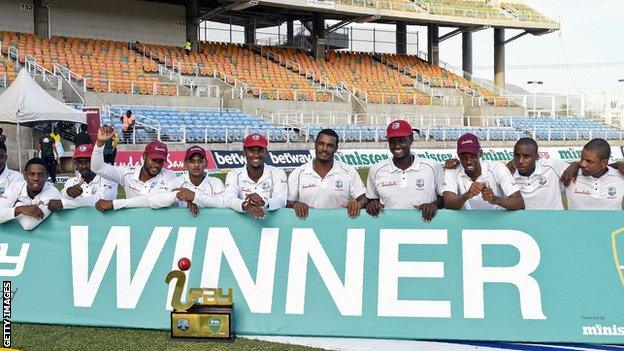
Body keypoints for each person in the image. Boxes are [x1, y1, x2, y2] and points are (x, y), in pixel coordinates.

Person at [365, 120, 444, 222]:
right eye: (392, 141)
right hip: (388, 230)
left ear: (410, 139)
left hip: (425, 228)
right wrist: (372, 205)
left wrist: (433, 205)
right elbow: (372, 199)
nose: (397, 146)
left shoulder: (432, 167)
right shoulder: (376, 170)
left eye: (401, 140)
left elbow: (444, 198)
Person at [91, 125, 178, 212]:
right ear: (144, 156)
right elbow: (98, 168)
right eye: (154, 160)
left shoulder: (169, 176)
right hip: (132, 224)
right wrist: (100, 143)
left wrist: (114, 204)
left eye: (161, 161)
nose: (157, 165)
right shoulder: (127, 173)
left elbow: (150, 200)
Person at [287, 129, 368, 220]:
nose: (325, 149)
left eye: (330, 145)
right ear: (315, 145)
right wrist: (295, 204)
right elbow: (287, 202)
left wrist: (358, 204)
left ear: (336, 148)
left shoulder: (348, 171)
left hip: (339, 227)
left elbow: (364, 198)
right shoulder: (298, 173)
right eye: (321, 144)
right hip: (308, 228)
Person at [442, 133, 524, 210]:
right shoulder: (452, 170)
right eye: (463, 157)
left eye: (473, 156)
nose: (468, 161)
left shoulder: (497, 168)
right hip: (466, 224)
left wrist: (495, 199)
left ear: (480, 153)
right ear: (458, 155)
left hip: (498, 223)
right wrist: (468, 195)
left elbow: (519, 203)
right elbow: (448, 203)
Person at [143, 145, 225, 216]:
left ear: (206, 163)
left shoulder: (216, 183)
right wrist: (177, 195)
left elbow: (223, 203)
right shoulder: (176, 182)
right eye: (191, 161)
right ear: (185, 164)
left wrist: (194, 197)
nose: (196, 165)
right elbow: (153, 201)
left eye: (200, 161)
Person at [223, 134, 287, 219]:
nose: (256, 155)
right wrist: (245, 205)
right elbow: (229, 198)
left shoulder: (278, 173)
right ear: (244, 152)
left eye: (260, 150)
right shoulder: (234, 174)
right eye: (251, 151)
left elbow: (281, 201)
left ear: (266, 152)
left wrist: (264, 202)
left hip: (271, 228)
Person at [505, 138, 574, 210]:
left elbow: (582, 167)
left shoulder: (552, 166)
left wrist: (574, 165)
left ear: (536, 157)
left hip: (554, 220)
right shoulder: (507, 173)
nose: (520, 161)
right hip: (525, 221)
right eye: (517, 155)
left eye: (526, 156)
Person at [47, 144, 117, 212]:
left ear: (95, 161)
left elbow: (101, 201)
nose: (84, 166)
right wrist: (67, 193)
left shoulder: (108, 179)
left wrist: (65, 203)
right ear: (75, 163)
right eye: (80, 162)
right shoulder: (71, 182)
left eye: (87, 162)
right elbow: (58, 202)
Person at [0, 158, 61, 230]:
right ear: (25, 175)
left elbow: (28, 224)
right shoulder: (15, 188)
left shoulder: (52, 192)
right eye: (32, 174)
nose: (36, 178)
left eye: (40, 175)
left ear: (47, 176)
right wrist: (19, 209)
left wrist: (17, 203)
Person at [565, 138, 624, 210]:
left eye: (589, 161)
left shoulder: (620, 177)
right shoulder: (570, 174)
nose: (583, 164)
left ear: (604, 163)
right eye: (581, 159)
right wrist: (574, 164)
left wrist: (617, 164)